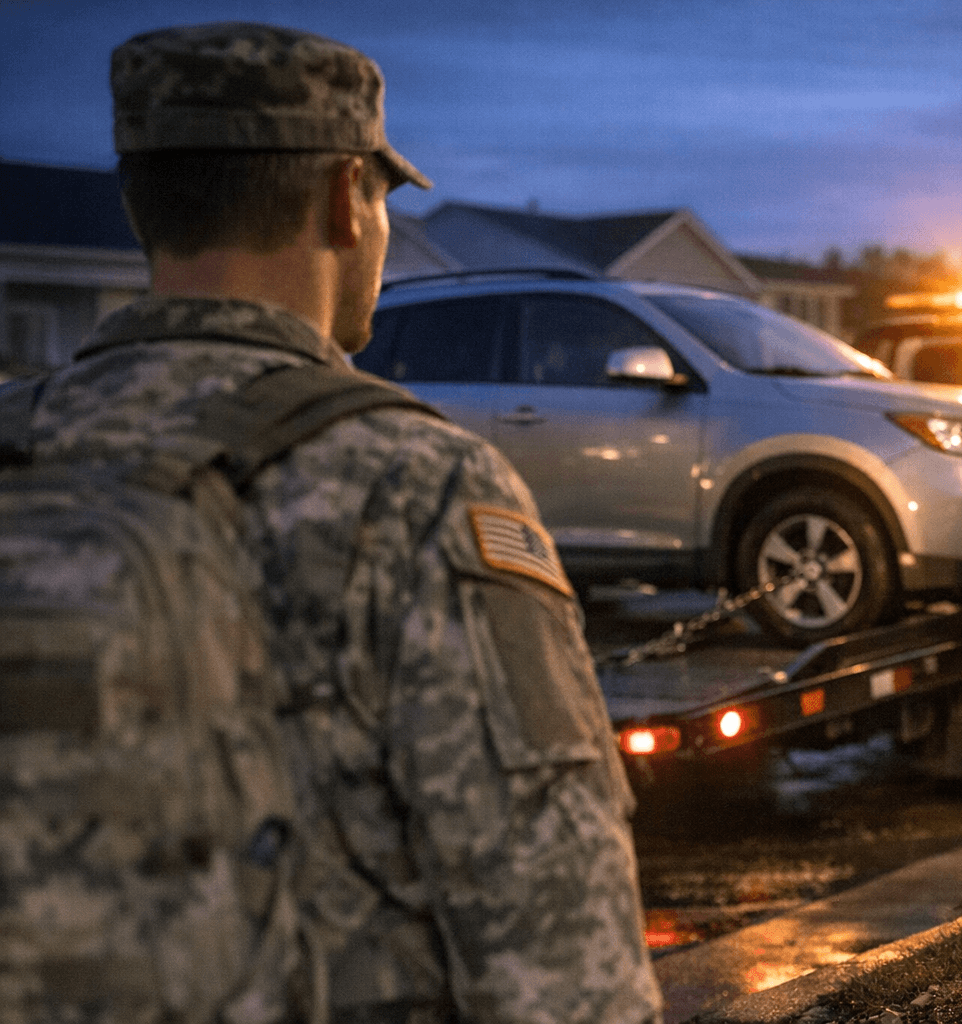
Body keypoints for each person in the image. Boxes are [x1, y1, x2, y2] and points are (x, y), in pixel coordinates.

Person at [21, 23, 661, 1023]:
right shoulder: (413, 485)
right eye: (382, 196)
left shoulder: (21, 445)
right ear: (343, 196)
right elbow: (563, 960)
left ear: (141, 203)